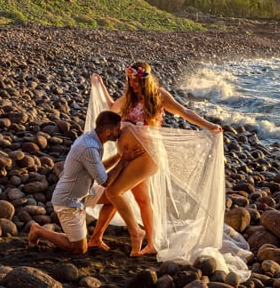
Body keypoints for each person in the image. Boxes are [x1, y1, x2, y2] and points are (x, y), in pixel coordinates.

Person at [88, 61, 222, 256]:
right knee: (142, 200)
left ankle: (136, 233)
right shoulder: (129, 97)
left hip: (148, 155)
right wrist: (100, 85)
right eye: (130, 81)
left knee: (114, 191)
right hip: (130, 157)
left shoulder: (159, 96)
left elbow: (184, 112)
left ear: (146, 80)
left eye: (136, 81)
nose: (133, 85)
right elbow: (111, 107)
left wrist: (209, 126)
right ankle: (142, 243)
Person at [27, 110, 142, 254]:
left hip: (84, 193)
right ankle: (38, 230)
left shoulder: (92, 140)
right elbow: (104, 181)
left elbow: (97, 169)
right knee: (79, 249)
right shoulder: (89, 147)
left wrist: (119, 156)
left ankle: (97, 238)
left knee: (114, 196)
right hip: (68, 201)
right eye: (117, 129)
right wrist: (124, 160)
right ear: (107, 131)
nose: (119, 132)